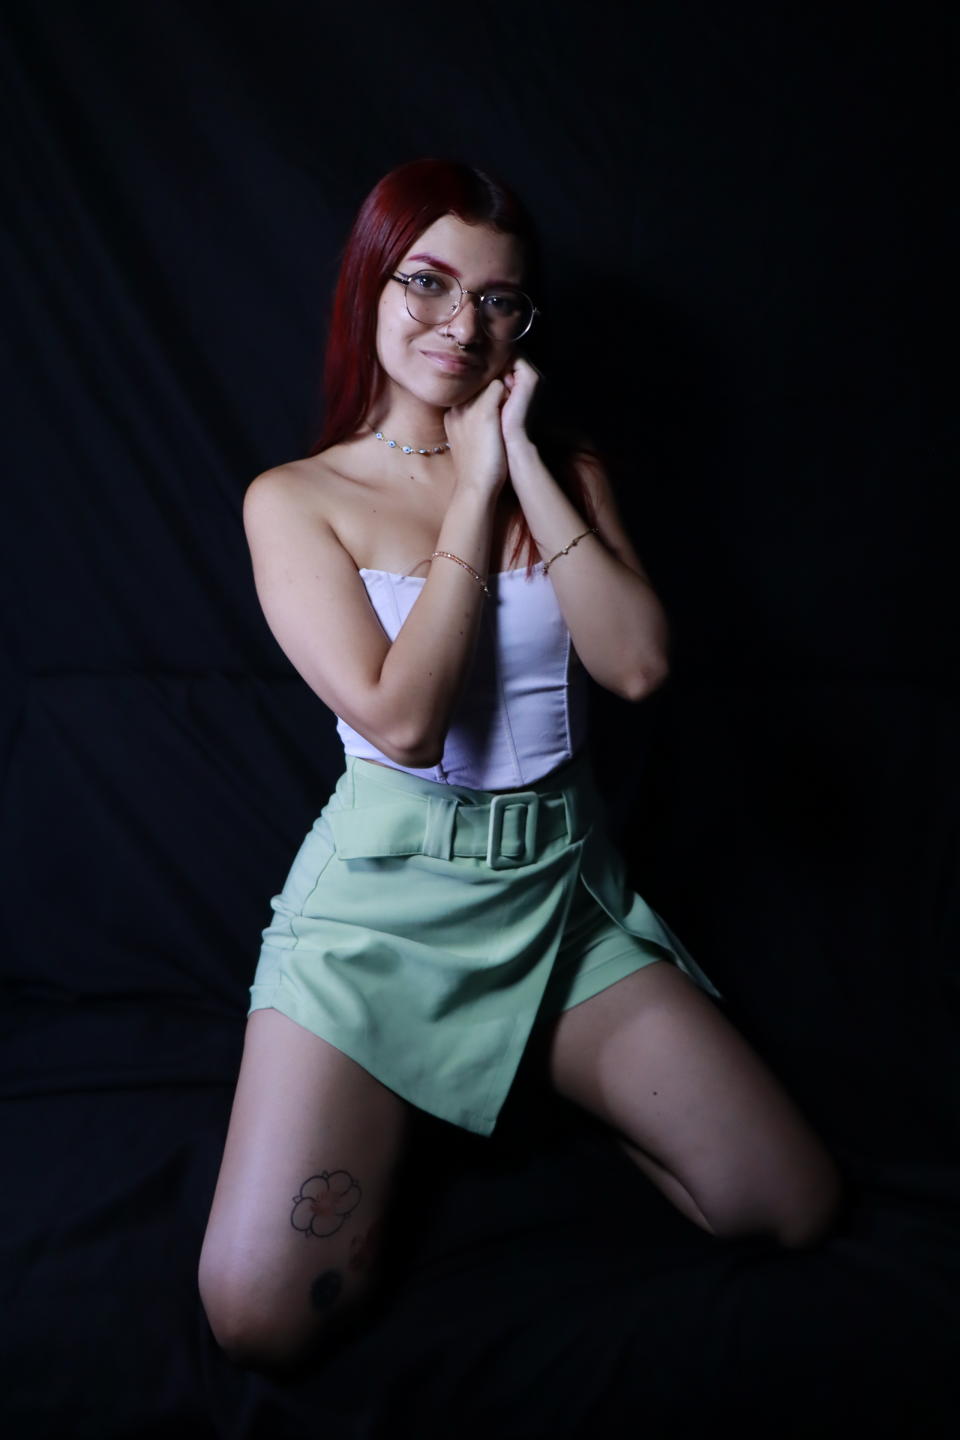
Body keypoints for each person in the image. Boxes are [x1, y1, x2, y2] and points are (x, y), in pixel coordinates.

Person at [198, 158, 842, 1371]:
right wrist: (470, 491)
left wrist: (524, 464)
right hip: (380, 916)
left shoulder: (566, 470)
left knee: (790, 1205)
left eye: (498, 300)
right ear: (370, 285)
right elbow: (404, 725)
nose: (463, 323)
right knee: (261, 1317)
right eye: (429, 282)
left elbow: (636, 665)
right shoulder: (295, 500)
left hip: (562, 900)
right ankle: (421, 1095)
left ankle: (526, 1073)